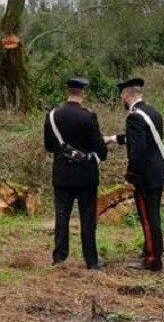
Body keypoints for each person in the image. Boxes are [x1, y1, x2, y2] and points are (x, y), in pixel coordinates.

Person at [104, 78, 164, 272]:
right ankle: (153, 250)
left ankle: (152, 260)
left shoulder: (134, 117)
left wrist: (131, 176)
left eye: (122, 97)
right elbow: (143, 140)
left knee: (148, 218)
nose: (122, 101)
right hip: (159, 172)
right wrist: (114, 139)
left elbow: (138, 150)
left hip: (146, 177)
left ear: (126, 95)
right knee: (154, 215)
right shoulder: (152, 112)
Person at [43, 77, 109, 269]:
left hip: (62, 175)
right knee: (88, 220)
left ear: (68, 92)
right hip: (86, 177)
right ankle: (91, 260)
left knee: (61, 216)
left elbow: (48, 146)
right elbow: (101, 152)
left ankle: (59, 257)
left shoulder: (53, 115)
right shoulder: (89, 116)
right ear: (83, 94)